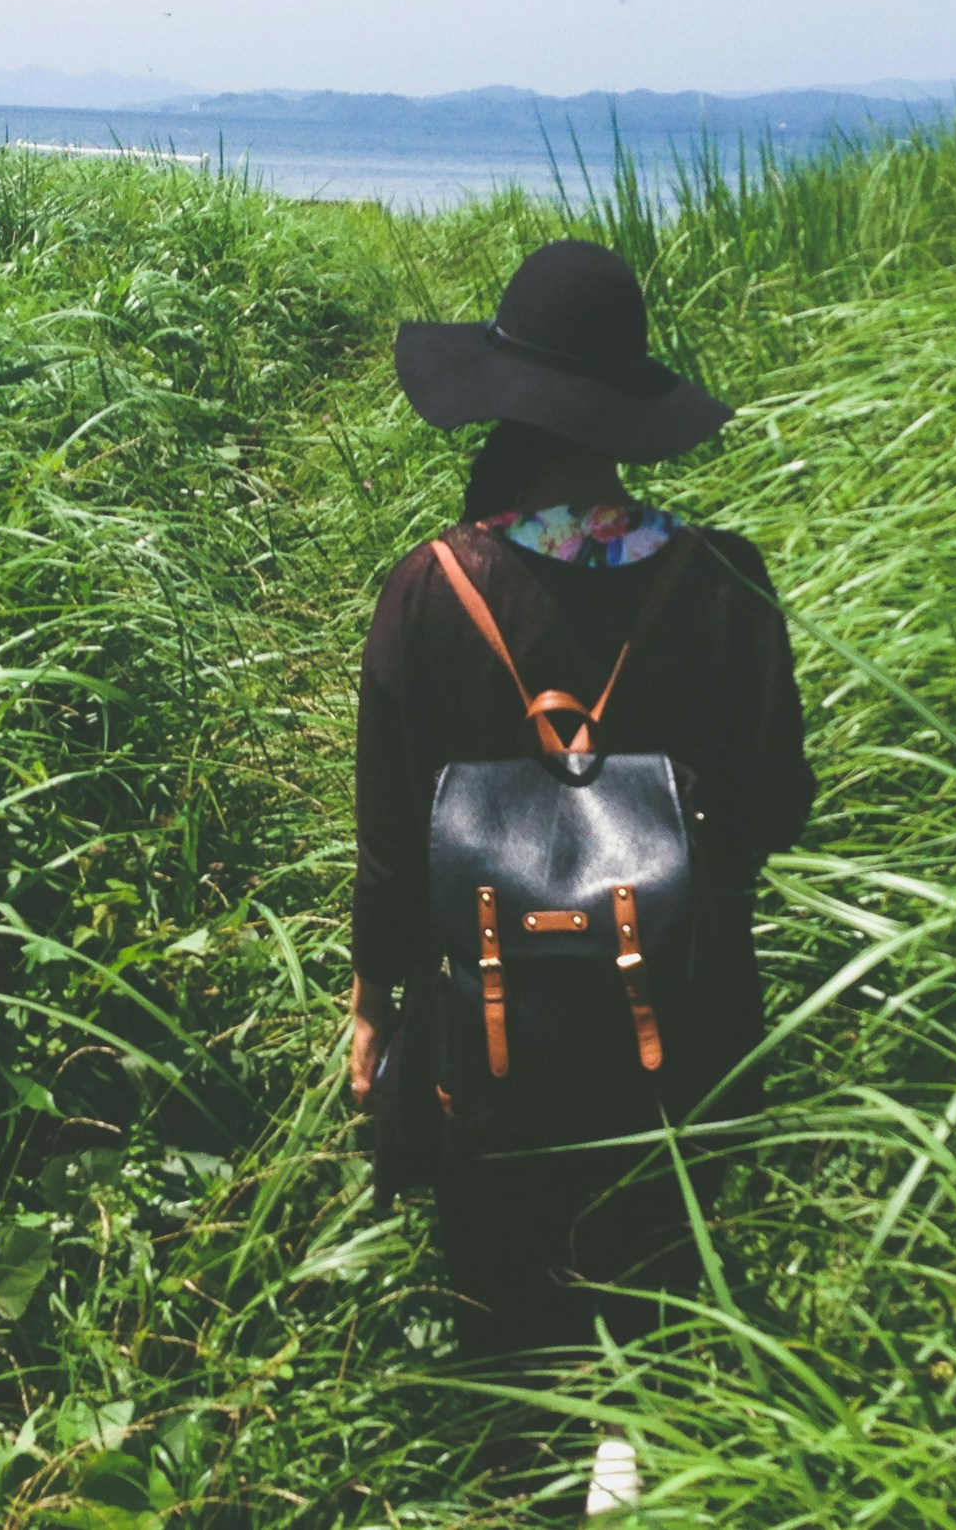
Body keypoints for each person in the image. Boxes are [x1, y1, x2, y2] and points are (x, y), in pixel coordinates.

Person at [348, 238, 815, 1516]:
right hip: (683, 1015)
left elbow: (391, 845)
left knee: (502, 1322)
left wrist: (372, 1002)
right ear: (622, 418)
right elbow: (777, 810)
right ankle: (637, 1443)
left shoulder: (429, 591)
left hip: (482, 1030)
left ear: (504, 403)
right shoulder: (723, 580)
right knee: (657, 1276)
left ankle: (521, 1467)